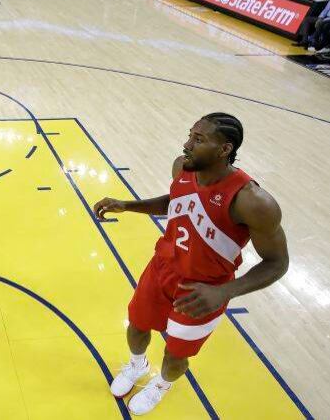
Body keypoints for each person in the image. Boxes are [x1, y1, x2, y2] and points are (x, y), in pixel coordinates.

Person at [93, 113, 289, 415]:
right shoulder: (183, 167)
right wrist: (129, 205)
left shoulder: (253, 202)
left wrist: (225, 292)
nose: (187, 144)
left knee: (175, 355)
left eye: (198, 140)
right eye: (190, 135)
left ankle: (161, 383)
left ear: (224, 149)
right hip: (162, 268)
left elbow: (277, 263)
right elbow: (176, 200)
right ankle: (137, 365)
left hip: (204, 289)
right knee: (136, 326)